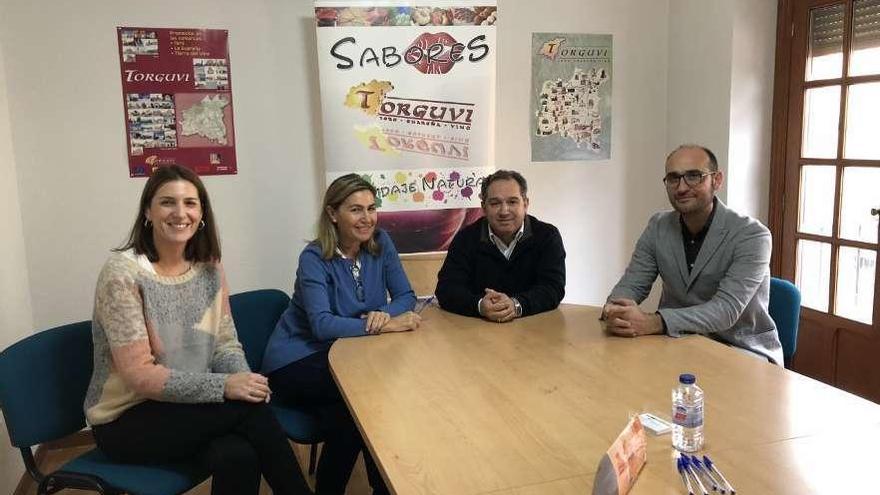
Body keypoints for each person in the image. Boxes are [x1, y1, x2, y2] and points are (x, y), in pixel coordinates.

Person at [84, 165, 312, 495]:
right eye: (167, 202)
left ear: (202, 212)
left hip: (187, 406)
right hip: (126, 419)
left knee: (239, 454)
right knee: (251, 414)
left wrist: (245, 382)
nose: (180, 213)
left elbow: (223, 343)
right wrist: (226, 387)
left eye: (190, 203)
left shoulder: (209, 266)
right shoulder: (122, 274)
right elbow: (139, 376)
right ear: (148, 210)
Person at [262, 173, 420, 495]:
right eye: (356, 210)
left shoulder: (382, 243)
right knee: (365, 406)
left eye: (371, 208)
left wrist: (382, 314)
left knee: (355, 414)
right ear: (333, 214)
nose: (367, 218)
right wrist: (385, 325)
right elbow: (321, 324)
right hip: (298, 358)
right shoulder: (314, 257)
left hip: (350, 353)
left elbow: (406, 296)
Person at [603, 144, 784, 365]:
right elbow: (633, 283)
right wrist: (615, 310)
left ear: (716, 180)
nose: (681, 187)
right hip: (677, 343)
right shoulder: (658, 226)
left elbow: (725, 310)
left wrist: (655, 322)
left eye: (693, 176)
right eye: (673, 178)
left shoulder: (752, 236)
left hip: (739, 351)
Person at [435, 169, 566, 322]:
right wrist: (479, 305)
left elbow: (553, 288)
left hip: (533, 327)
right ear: (484, 207)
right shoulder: (466, 238)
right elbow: (446, 289)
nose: (504, 211)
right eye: (495, 203)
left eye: (512, 202)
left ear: (525, 203)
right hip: (477, 330)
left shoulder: (547, 236)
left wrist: (516, 305)